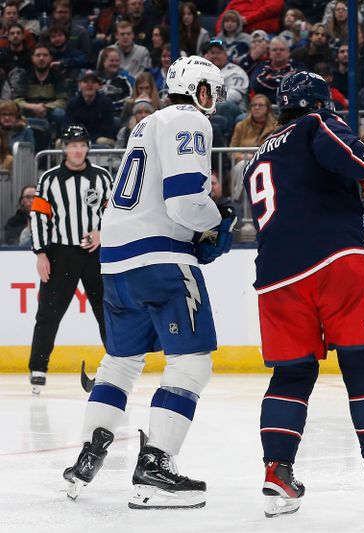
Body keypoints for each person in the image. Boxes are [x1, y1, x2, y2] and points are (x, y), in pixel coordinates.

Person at [62, 55, 236, 509]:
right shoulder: (190, 121)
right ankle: (156, 465)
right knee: (192, 361)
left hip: (115, 263)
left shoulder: (146, 123)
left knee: (120, 361)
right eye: (211, 90)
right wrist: (216, 224)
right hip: (159, 257)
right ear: (199, 89)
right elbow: (184, 201)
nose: (213, 101)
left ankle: (88, 449)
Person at [242, 71, 364, 517]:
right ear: (317, 103)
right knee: (362, 362)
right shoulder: (316, 124)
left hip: (276, 279)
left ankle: (277, 471)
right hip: (335, 262)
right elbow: (349, 156)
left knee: (291, 377)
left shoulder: (256, 156)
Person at [28, 124, 113, 395]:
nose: (78, 149)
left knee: (107, 312)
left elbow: (114, 212)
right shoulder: (50, 179)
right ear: (64, 147)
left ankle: (117, 366)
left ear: (88, 147)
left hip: (96, 254)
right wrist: (41, 252)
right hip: (61, 254)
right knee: (49, 313)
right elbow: (39, 216)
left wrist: (102, 232)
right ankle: (38, 369)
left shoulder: (102, 177)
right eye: (73, 145)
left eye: (82, 144)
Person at [65, 70, 117, 146]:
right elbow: (69, 127)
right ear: (79, 84)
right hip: (78, 141)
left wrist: (89, 141)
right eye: (86, 81)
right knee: (60, 142)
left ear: (98, 86)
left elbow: (108, 131)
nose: (90, 85)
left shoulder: (106, 103)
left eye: (93, 82)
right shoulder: (71, 104)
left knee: (102, 141)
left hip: (99, 140)